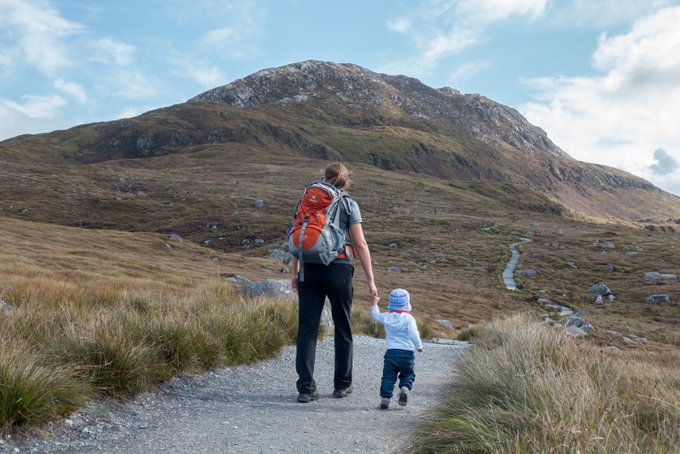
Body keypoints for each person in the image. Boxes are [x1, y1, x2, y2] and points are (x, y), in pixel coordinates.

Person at [291, 162, 379, 403]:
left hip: (309, 269)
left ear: (324, 177)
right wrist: (371, 280)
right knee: (343, 327)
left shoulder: (306, 200)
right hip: (338, 268)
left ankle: (306, 388)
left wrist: (296, 271)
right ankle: (342, 385)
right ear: (345, 180)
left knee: (307, 330)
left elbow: (298, 233)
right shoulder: (348, 203)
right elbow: (360, 244)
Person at [370, 288, 423, 410]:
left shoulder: (387, 316)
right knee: (408, 374)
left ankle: (385, 399)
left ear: (391, 303)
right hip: (407, 354)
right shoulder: (409, 318)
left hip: (391, 353)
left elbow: (376, 316)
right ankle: (404, 388)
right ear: (407, 303)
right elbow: (413, 333)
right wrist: (419, 346)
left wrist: (374, 303)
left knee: (388, 377)